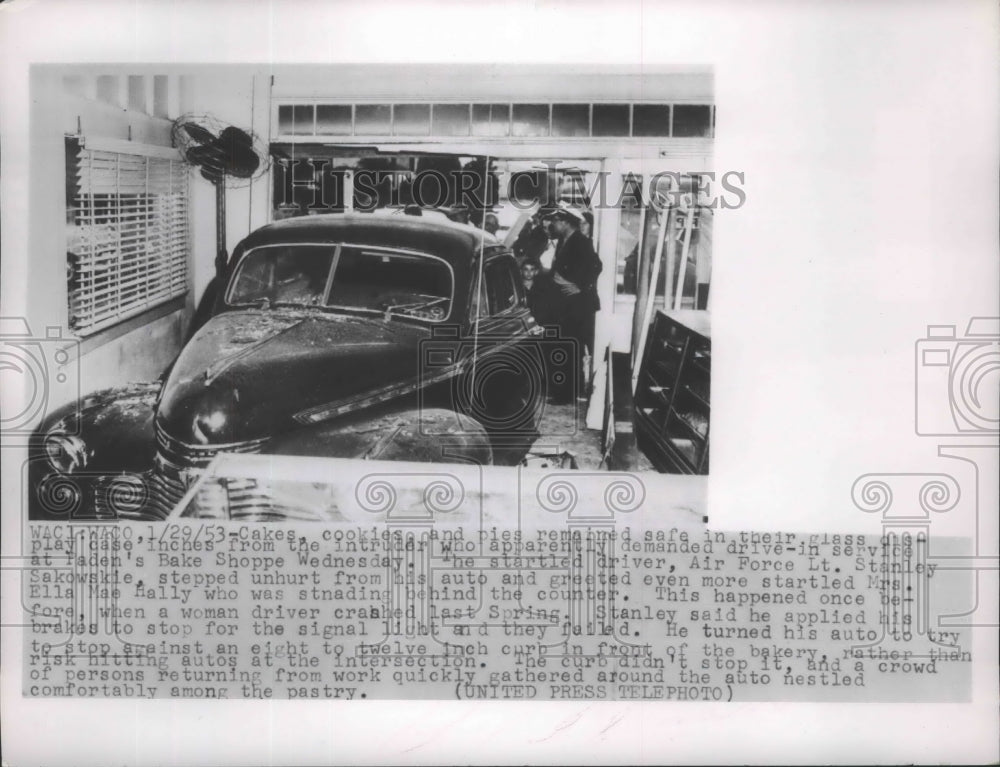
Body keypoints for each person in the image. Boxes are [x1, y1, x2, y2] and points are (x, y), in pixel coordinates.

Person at [543, 202, 603, 396]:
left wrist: (579, 286)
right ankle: (565, 389)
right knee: (564, 345)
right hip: (565, 305)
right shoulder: (564, 241)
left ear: (567, 222)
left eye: (557, 220)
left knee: (570, 347)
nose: (553, 224)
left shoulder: (580, 241)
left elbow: (596, 266)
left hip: (578, 306)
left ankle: (567, 392)